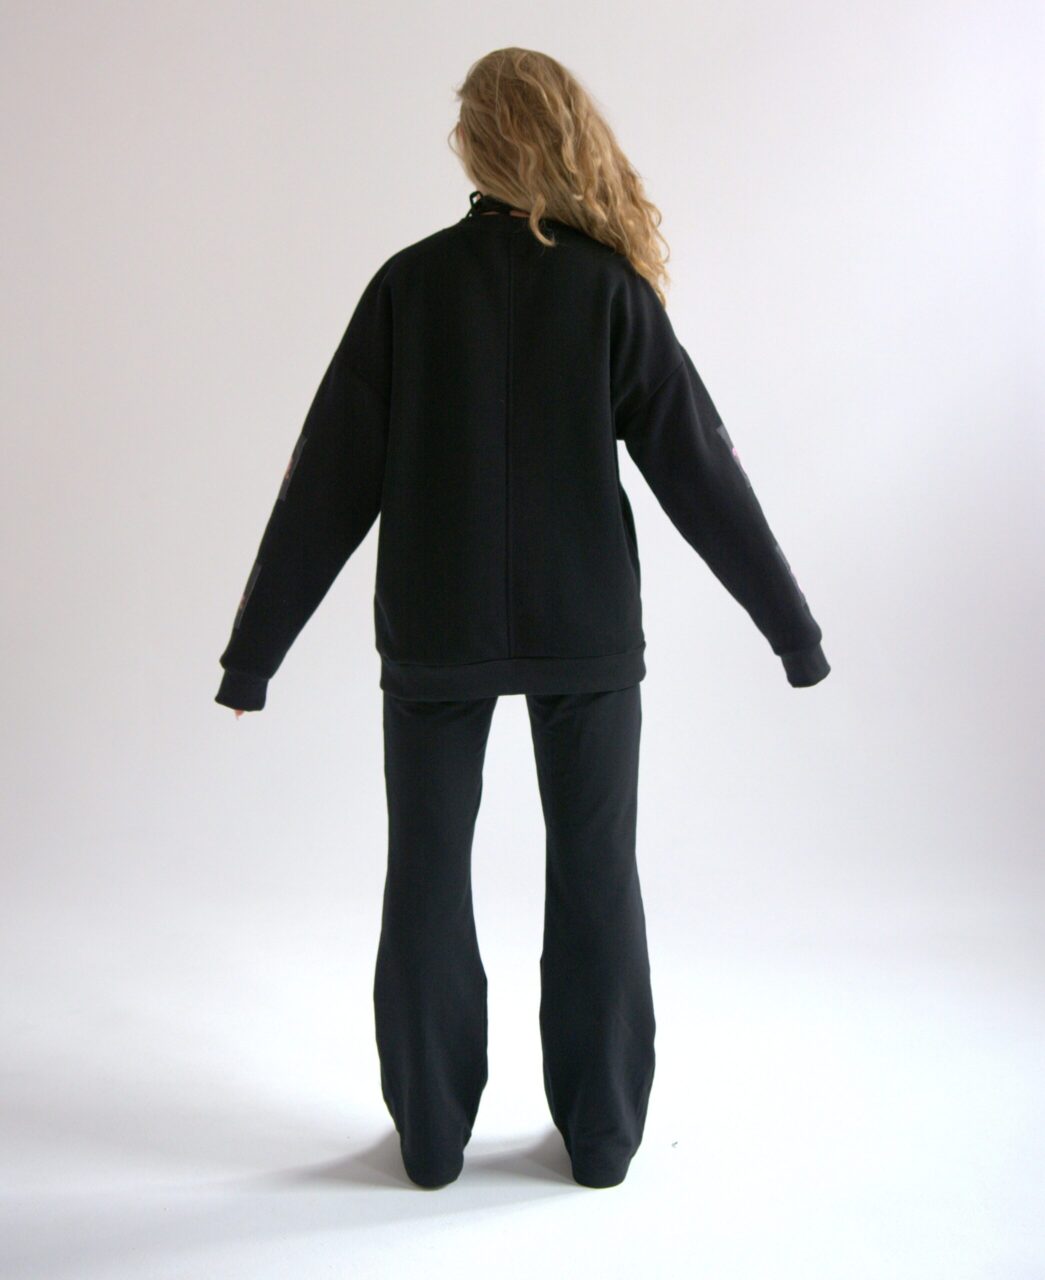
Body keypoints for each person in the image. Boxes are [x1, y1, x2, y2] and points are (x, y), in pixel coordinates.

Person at [214, 47, 831, 1190]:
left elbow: (326, 479)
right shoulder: (608, 290)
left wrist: (254, 658)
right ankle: (601, 1140)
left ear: (475, 145)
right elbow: (701, 469)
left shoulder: (409, 287)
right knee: (596, 873)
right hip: (584, 628)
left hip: (435, 629)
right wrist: (792, 631)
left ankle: (431, 1139)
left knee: (426, 872)